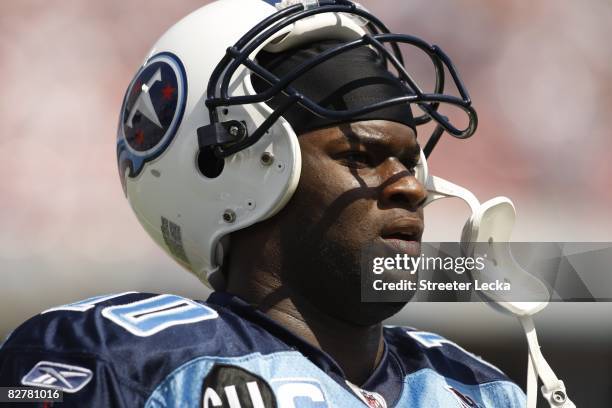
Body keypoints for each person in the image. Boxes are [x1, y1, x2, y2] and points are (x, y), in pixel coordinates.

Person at [0, 0, 526, 406]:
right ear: (237, 171)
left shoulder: (479, 389)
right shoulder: (118, 359)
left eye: (409, 162)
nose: (410, 188)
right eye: (362, 156)